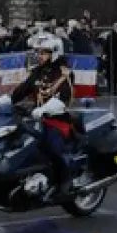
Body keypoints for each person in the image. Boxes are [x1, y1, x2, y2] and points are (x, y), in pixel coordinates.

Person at [12, 32, 79, 196]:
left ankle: (65, 181)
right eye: (38, 52)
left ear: (54, 52)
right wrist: (4, 99)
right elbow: (21, 90)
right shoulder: (37, 72)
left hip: (56, 121)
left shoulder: (64, 73)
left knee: (50, 145)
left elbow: (64, 99)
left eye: (43, 52)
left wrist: (43, 110)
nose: (39, 56)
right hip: (35, 120)